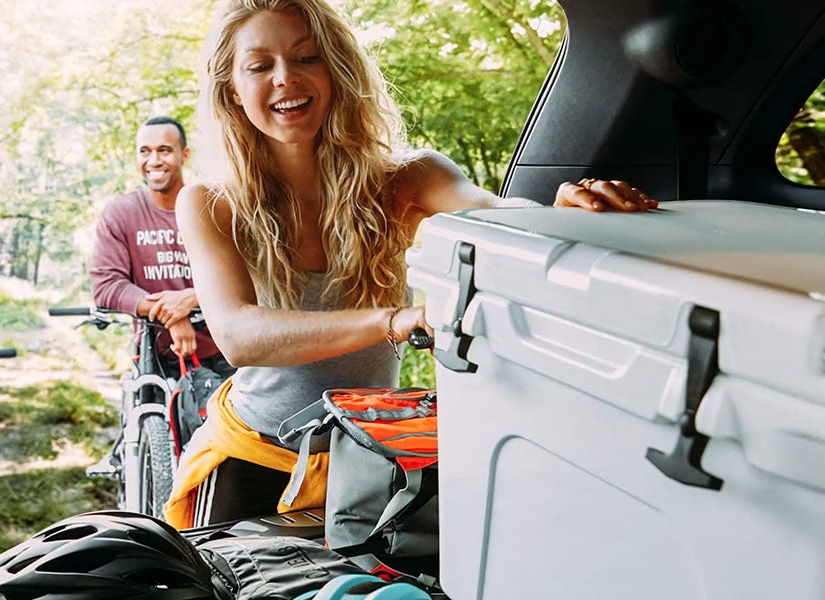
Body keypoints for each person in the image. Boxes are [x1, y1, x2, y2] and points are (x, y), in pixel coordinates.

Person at [165, 0, 659, 528]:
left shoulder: (408, 177)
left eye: (306, 57)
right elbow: (240, 336)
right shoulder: (208, 203)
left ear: (336, 70)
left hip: (370, 456)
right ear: (233, 90)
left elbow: (503, 219)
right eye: (260, 66)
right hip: (251, 455)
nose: (286, 78)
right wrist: (392, 321)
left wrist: (562, 212)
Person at [90, 116, 235, 379]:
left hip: (225, 352)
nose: (154, 160)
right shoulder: (121, 213)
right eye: (144, 151)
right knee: (145, 417)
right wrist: (173, 316)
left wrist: (191, 299)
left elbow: (247, 277)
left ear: (184, 155)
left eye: (164, 150)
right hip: (153, 358)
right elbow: (107, 286)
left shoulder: (214, 208)